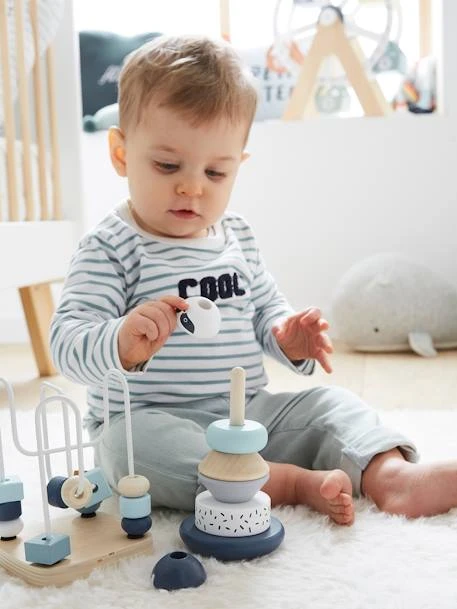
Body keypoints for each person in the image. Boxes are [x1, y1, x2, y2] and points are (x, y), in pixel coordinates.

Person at [51, 35, 457, 526]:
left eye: (215, 172)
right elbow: (66, 342)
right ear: (121, 153)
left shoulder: (237, 236)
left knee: (332, 404)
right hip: (148, 419)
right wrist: (118, 341)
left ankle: (390, 475)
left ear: (237, 166)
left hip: (247, 414)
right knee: (126, 453)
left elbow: (266, 310)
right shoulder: (110, 247)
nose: (192, 186)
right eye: (167, 165)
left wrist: (287, 335)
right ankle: (286, 482)